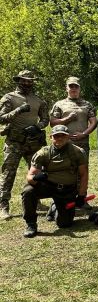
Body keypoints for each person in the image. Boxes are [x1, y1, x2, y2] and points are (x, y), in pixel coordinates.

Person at [21, 125, 88, 237]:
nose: (60, 139)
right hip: (48, 186)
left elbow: (84, 175)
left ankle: (55, 207)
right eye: (56, 136)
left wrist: (81, 195)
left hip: (67, 189)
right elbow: (29, 177)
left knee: (64, 224)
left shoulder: (78, 152)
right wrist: (35, 178)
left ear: (68, 137)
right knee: (28, 191)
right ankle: (31, 224)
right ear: (51, 137)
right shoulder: (43, 153)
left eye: (63, 136)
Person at [0, 70, 49, 220]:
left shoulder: (39, 100)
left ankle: (37, 200)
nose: (27, 83)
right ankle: (3, 207)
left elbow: (45, 119)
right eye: (24, 80)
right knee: (8, 174)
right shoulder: (9, 98)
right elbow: (1, 118)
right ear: (19, 81)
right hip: (14, 142)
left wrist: (38, 127)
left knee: (36, 173)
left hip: (33, 142)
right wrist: (18, 110)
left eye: (30, 81)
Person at [49, 76, 97, 157]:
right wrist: (67, 119)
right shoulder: (59, 104)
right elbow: (52, 123)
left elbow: (94, 122)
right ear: (66, 88)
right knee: (65, 167)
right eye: (71, 86)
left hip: (82, 143)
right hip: (64, 142)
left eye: (76, 86)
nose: (74, 89)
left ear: (79, 88)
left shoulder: (87, 104)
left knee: (83, 167)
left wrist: (83, 134)